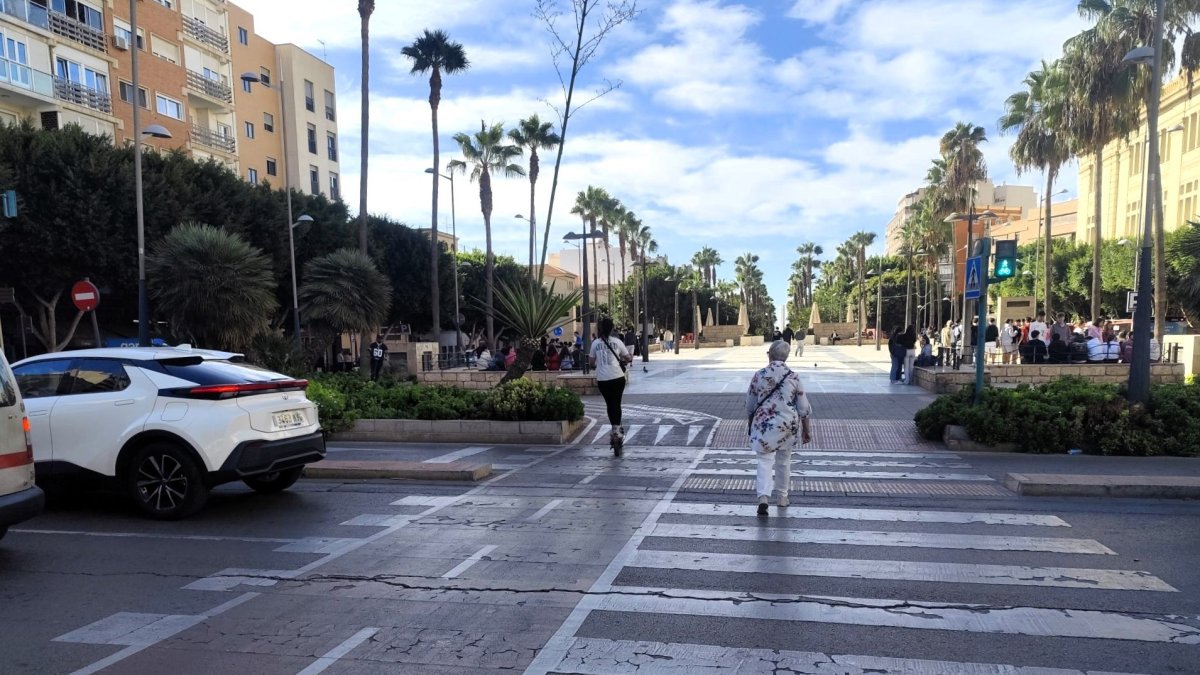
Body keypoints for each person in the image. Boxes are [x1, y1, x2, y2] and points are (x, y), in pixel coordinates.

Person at [746, 340, 813, 516]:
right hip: (787, 426)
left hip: (763, 425)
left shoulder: (759, 375)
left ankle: (763, 498)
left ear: (770, 354)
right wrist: (807, 430)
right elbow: (803, 407)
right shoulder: (793, 376)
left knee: (764, 461)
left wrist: (750, 424)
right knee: (783, 461)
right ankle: (782, 497)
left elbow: (750, 405)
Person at [590, 317, 633, 453]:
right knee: (617, 404)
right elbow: (628, 358)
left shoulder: (595, 343)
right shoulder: (617, 341)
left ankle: (614, 430)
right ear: (612, 328)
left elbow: (591, 362)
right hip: (617, 377)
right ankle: (617, 431)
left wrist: (598, 364)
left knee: (610, 405)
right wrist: (623, 358)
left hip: (603, 379)